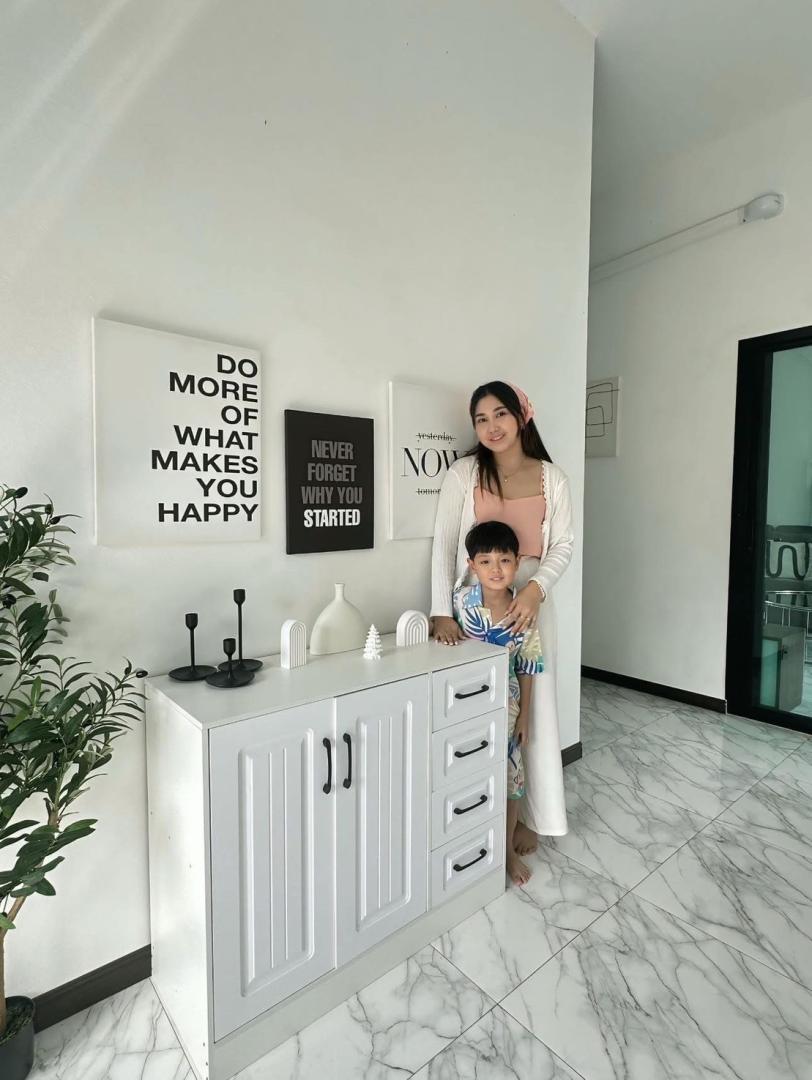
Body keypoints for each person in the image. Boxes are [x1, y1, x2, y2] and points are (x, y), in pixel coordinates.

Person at [430, 380, 574, 846]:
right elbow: (445, 544)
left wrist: (535, 590)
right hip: (476, 608)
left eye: (500, 414)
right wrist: (440, 610)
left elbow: (563, 545)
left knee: (534, 710)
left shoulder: (552, 478)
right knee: (476, 704)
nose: (492, 426)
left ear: (521, 416)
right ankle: (476, 813)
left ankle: (534, 816)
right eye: (481, 419)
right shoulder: (464, 473)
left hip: (530, 606)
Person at [454, 521, 543, 884]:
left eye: (504, 560)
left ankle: (505, 850)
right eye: (485, 561)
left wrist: (524, 717)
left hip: (507, 710)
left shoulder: (524, 610)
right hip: (464, 707)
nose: (495, 569)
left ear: (517, 563)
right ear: (472, 565)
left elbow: (528, 665)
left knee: (511, 780)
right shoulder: (461, 601)